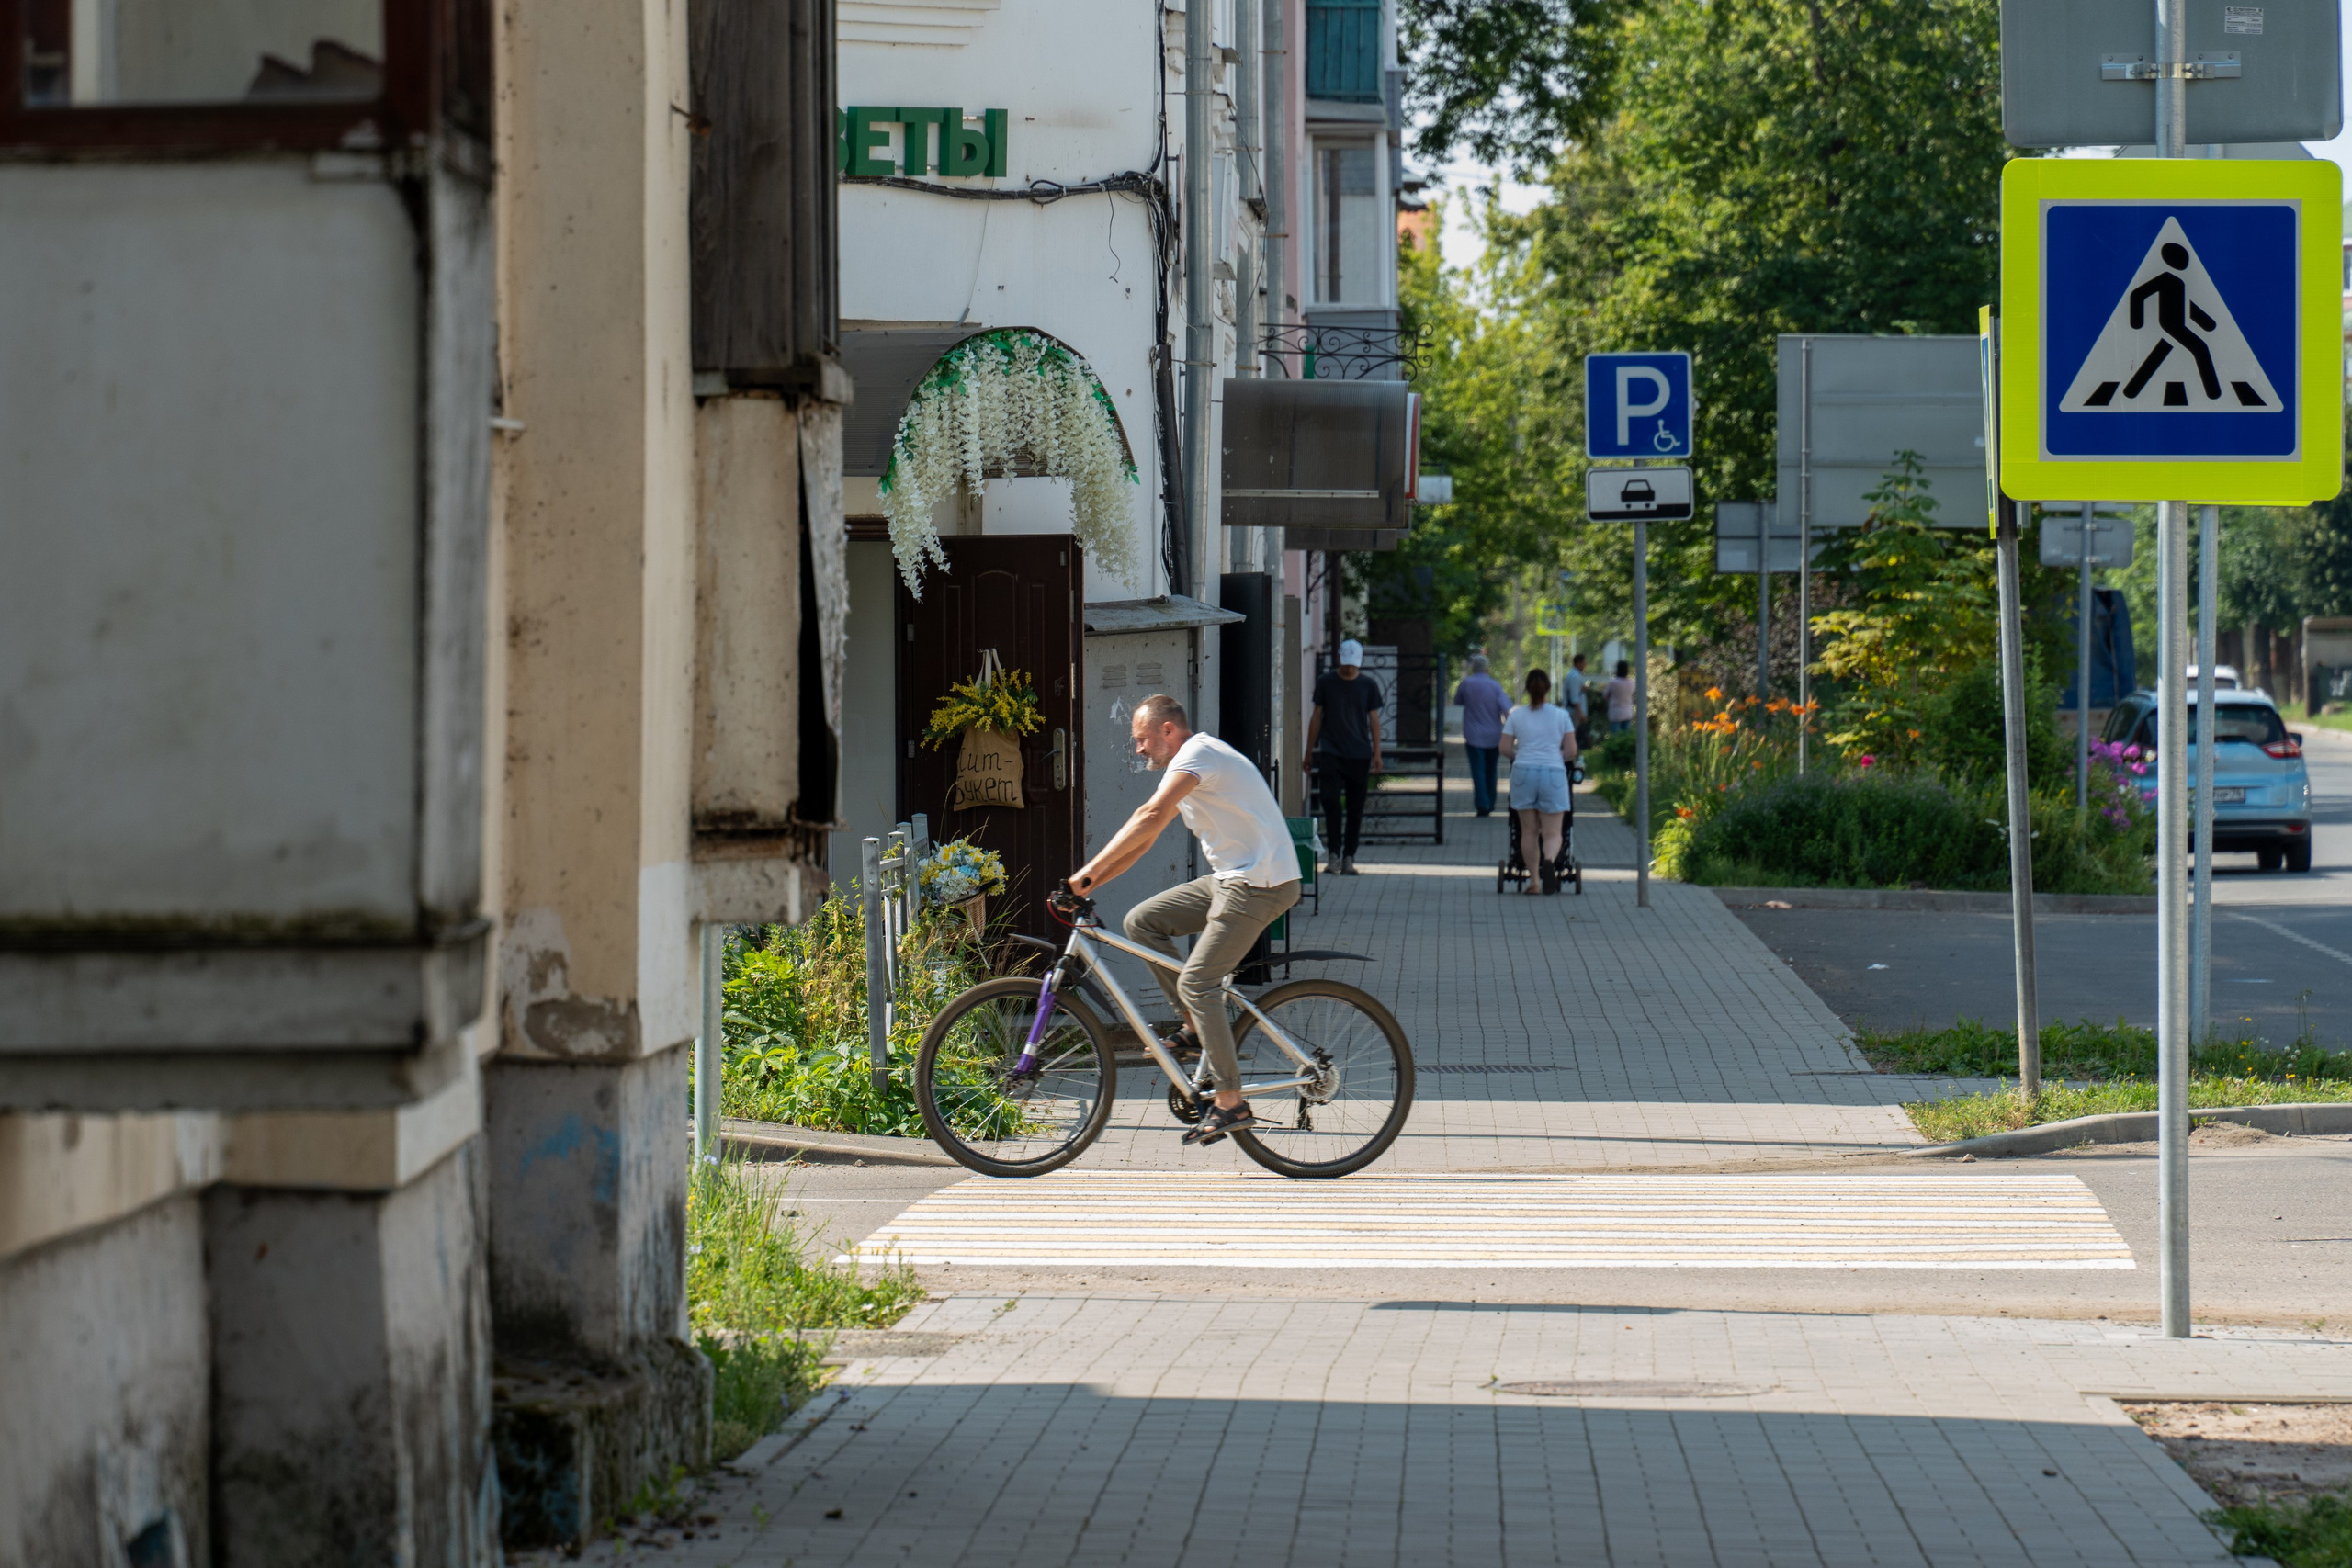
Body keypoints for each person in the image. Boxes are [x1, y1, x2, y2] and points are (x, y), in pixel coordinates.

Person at [1069, 694, 1301, 1146]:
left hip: (1261, 883)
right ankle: (1194, 1026)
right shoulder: (1189, 768)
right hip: (1234, 879)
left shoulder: (1199, 755)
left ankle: (1231, 1101)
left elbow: (1149, 815)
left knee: (1199, 983)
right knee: (1142, 922)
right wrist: (1091, 884)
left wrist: (1085, 874)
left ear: (1169, 731)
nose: (1138, 750)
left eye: (1142, 739)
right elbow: (1147, 837)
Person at [1304, 638, 1383, 874]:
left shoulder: (1367, 685)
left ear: (1358, 663)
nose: (1349, 669)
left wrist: (1377, 752)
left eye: (1353, 665)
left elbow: (1374, 719)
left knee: (1355, 806)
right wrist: (1309, 751)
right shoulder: (1326, 682)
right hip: (1331, 751)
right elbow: (1316, 716)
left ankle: (1349, 856)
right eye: (1346, 664)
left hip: (1359, 753)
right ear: (1340, 660)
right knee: (1330, 801)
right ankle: (1334, 854)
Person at [1499, 669, 1578, 896]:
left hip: (1524, 772)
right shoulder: (1561, 715)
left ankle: (1534, 881)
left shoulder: (1516, 715)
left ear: (1527, 689)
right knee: (1553, 833)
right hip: (1552, 773)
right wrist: (1556, 759)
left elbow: (1504, 748)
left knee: (1529, 832)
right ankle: (1550, 861)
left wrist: (1520, 757)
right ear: (1548, 690)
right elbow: (1571, 750)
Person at [1452, 654, 1510, 817]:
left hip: (1473, 735)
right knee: (1491, 770)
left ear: (1473, 668)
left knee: (1478, 770)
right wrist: (1511, 732)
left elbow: (1457, 701)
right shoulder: (1495, 686)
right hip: (1494, 735)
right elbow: (1506, 710)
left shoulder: (1466, 684)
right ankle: (1490, 802)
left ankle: (1482, 804)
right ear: (1487, 668)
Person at [1561, 652, 1592, 749]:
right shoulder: (1574, 677)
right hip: (1574, 712)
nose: (1585, 665)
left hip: (1573, 711)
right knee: (1571, 735)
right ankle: (1569, 754)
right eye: (1584, 663)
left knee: (1571, 735)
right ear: (1578, 663)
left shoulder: (1574, 675)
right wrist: (1580, 713)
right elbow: (1574, 697)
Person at [1603, 659, 1637, 735]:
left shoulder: (1613, 682)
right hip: (1627, 712)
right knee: (1626, 736)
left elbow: (1605, 695)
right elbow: (1633, 694)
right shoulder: (1631, 683)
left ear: (1617, 669)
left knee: (1615, 737)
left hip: (1615, 714)